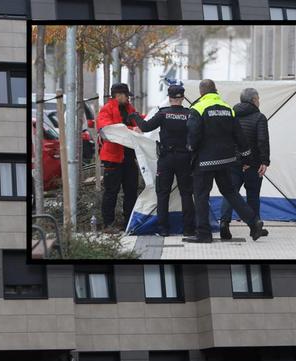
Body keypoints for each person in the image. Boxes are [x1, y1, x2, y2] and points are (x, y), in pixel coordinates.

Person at [184, 79, 264, 244]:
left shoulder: (197, 108)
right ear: (216, 91)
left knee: (201, 196)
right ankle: (254, 222)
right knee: (231, 192)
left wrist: (191, 150)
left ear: (201, 93)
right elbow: (239, 136)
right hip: (227, 160)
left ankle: (204, 234)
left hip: (204, 161)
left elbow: (193, 136)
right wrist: (246, 157)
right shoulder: (228, 109)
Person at [129, 84, 195, 237]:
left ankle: (163, 229)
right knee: (186, 193)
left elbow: (145, 127)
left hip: (166, 159)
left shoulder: (163, 114)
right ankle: (188, 229)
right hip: (185, 158)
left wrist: (135, 116)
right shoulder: (190, 114)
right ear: (183, 98)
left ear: (169, 98)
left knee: (163, 193)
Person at [220, 88, 270, 240]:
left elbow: (227, 139)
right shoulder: (259, 117)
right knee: (253, 195)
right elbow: (262, 141)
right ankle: (254, 227)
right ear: (254, 100)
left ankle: (224, 223)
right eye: (258, 98)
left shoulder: (231, 114)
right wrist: (264, 161)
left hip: (232, 162)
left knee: (230, 194)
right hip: (252, 164)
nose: (259, 101)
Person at [96, 83, 140, 232]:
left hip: (128, 157)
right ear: (119, 95)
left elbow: (139, 121)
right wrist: (131, 129)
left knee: (131, 191)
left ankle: (129, 222)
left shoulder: (130, 109)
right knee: (111, 192)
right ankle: (108, 224)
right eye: (126, 95)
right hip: (113, 158)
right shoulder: (107, 109)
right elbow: (107, 129)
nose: (128, 98)